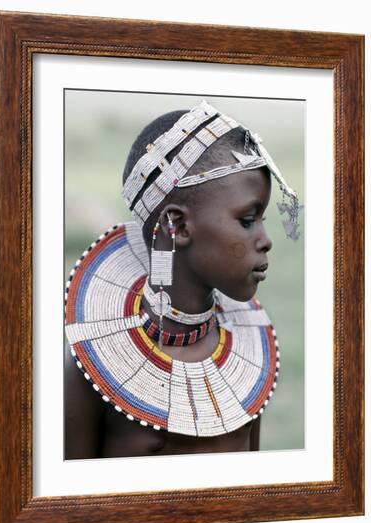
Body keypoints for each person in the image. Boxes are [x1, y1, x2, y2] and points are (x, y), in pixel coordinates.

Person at [64, 100, 301, 459]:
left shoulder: (253, 360)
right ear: (177, 226)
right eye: (248, 219)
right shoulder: (88, 369)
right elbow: (67, 506)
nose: (265, 239)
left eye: (263, 218)